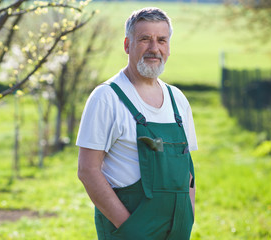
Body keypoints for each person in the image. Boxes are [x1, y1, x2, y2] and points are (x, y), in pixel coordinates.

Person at [76, 7, 198, 240]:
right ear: (127, 45)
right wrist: (131, 229)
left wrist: (187, 217)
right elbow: (87, 171)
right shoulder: (106, 98)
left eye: (161, 40)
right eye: (144, 39)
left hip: (178, 230)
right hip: (130, 230)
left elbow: (188, 173)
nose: (154, 48)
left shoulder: (177, 100)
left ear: (169, 47)